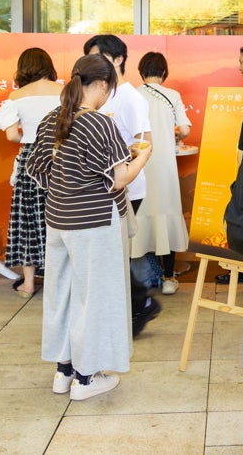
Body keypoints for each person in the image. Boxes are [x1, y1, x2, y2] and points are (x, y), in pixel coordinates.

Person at [26, 54, 152, 401]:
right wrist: (142, 156)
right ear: (101, 84)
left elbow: (39, 171)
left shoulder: (52, 120)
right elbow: (118, 178)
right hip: (95, 222)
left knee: (62, 294)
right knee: (94, 297)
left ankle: (63, 371)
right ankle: (86, 377)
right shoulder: (99, 123)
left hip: (58, 219)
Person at [83, 34, 160, 336]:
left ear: (117, 59)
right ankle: (132, 306)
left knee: (110, 255)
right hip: (99, 187)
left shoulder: (129, 97)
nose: (93, 65)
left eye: (99, 57)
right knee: (106, 255)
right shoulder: (98, 93)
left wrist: (116, 163)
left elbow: (145, 143)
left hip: (125, 187)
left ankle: (140, 303)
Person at [0, 47, 63, 298]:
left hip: (31, 159)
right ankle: (60, 281)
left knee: (27, 219)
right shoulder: (65, 92)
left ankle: (28, 283)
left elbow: (13, 135)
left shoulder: (16, 96)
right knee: (62, 217)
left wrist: (31, 135)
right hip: (60, 157)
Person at [134, 51, 191, 295]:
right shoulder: (172, 95)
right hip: (165, 166)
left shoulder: (133, 95)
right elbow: (186, 129)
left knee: (140, 217)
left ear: (141, 71)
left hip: (139, 165)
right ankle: (168, 278)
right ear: (164, 73)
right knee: (166, 216)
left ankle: (143, 278)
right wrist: (174, 133)